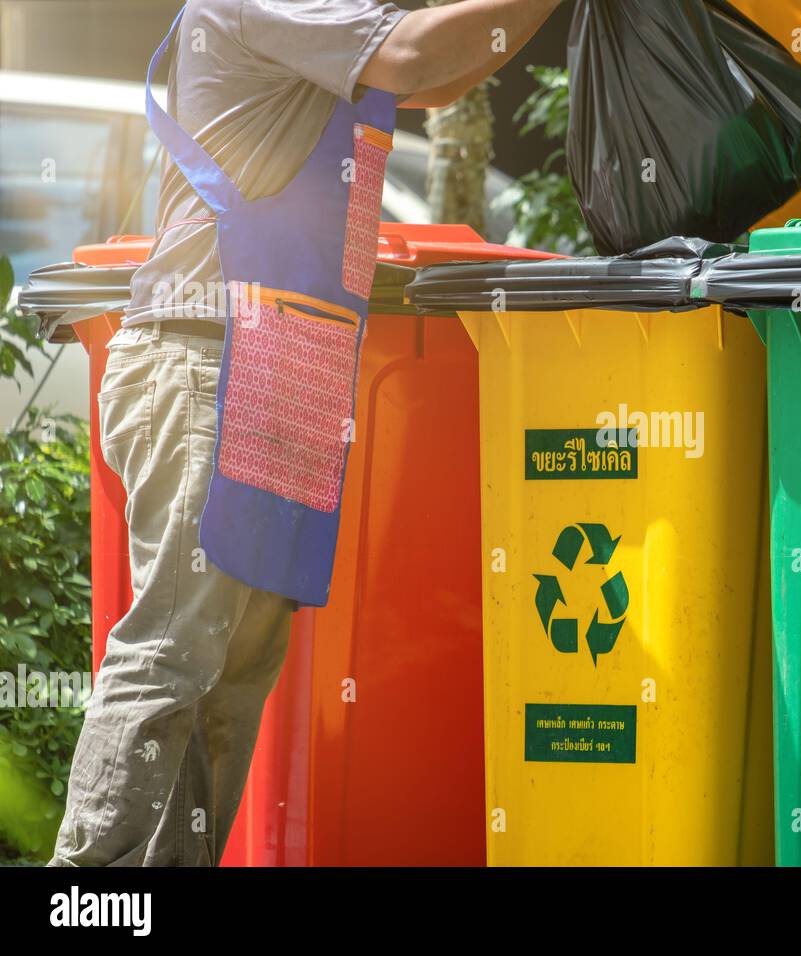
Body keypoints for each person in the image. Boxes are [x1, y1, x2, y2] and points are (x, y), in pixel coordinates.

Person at [49, 0, 564, 868]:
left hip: (278, 370)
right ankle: (85, 892)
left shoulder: (330, 31)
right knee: (174, 649)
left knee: (233, 676)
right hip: (202, 354)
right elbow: (415, 51)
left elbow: (440, 78)